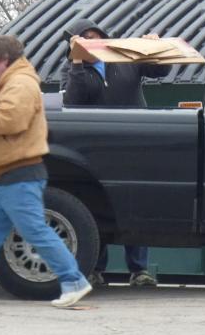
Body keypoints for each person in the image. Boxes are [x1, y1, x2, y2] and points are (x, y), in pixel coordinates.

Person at [0, 35, 91, 308]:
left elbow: (10, 120)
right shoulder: (6, 83)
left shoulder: (21, 84)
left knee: (35, 230)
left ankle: (74, 281)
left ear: (3, 60)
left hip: (19, 174)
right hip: (3, 175)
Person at [61, 17, 168, 288]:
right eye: (85, 37)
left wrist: (155, 47)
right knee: (98, 208)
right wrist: (76, 62)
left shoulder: (124, 59)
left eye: (96, 35)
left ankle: (140, 270)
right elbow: (73, 100)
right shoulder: (73, 71)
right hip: (96, 150)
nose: (93, 41)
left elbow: (161, 71)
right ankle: (96, 269)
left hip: (133, 145)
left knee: (136, 205)